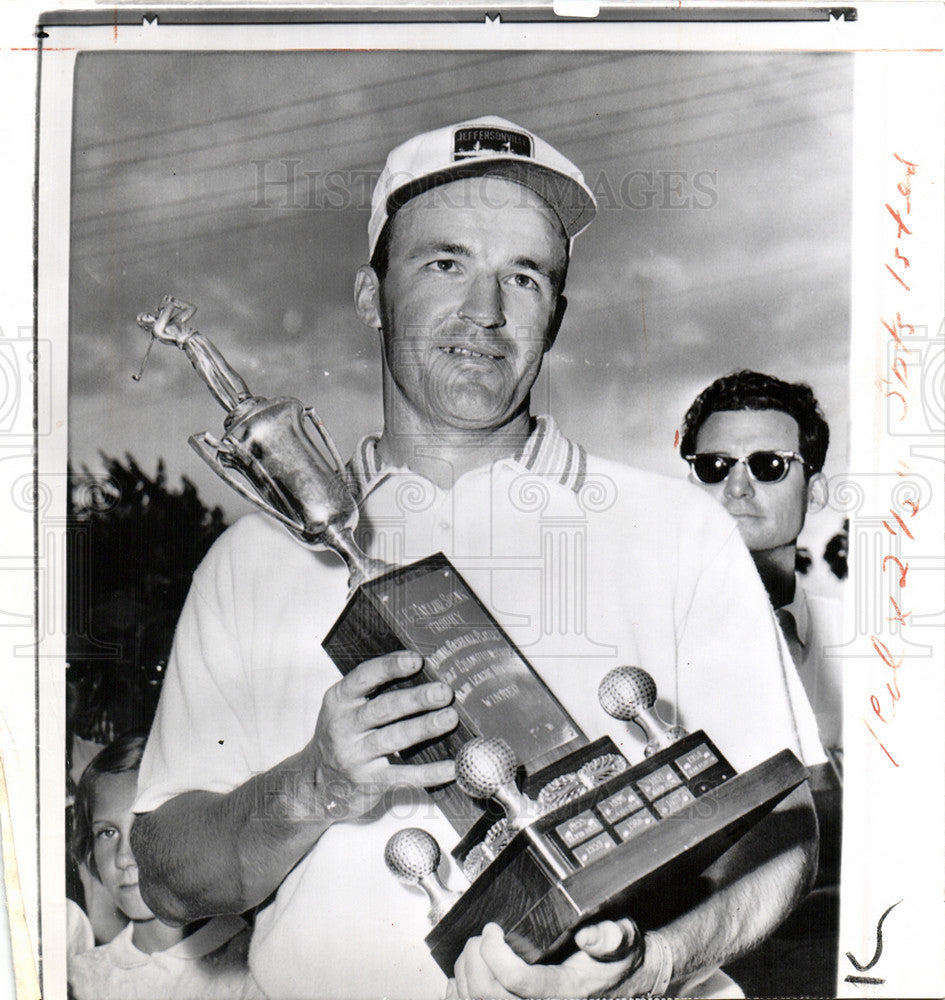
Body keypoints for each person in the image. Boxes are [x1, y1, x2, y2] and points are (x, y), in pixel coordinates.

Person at [130, 116, 825, 1000]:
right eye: (444, 263)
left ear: (556, 316)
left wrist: (652, 967)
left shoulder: (678, 527)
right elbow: (164, 872)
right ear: (370, 296)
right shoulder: (251, 558)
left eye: (523, 276)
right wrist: (314, 783)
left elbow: (783, 827)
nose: (485, 313)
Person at [678, 370, 843, 764]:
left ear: (815, 492)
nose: (737, 487)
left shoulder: (874, 646)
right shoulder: (651, 647)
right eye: (714, 467)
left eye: (768, 465)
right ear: (692, 485)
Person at [68, 732, 261, 999]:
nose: (124, 857)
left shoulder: (255, 963)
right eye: (108, 833)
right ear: (90, 852)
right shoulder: (80, 981)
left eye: (144, 826)